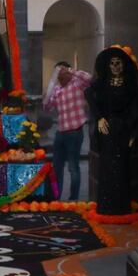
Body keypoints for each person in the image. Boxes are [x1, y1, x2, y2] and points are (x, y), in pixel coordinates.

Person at [85, 47, 138, 215]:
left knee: (122, 166)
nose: (116, 66)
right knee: (107, 166)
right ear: (108, 66)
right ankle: (106, 207)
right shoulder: (102, 82)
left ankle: (121, 208)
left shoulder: (131, 85)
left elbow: (137, 109)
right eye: (112, 64)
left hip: (123, 130)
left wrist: (134, 133)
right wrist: (99, 117)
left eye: (119, 63)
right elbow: (88, 93)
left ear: (123, 65)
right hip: (107, 130)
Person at [43, 60, 93, 201]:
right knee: (57, 167)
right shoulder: (57, 89)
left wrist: (71, 71)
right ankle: (56, 198)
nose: (59, 76)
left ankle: (73, 199)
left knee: (73, 167)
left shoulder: (77, 84)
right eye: (56, 74)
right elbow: (47, 106)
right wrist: (51, 86)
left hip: (75, 132)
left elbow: (89, 78)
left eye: (60, 73)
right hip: (61, 132)